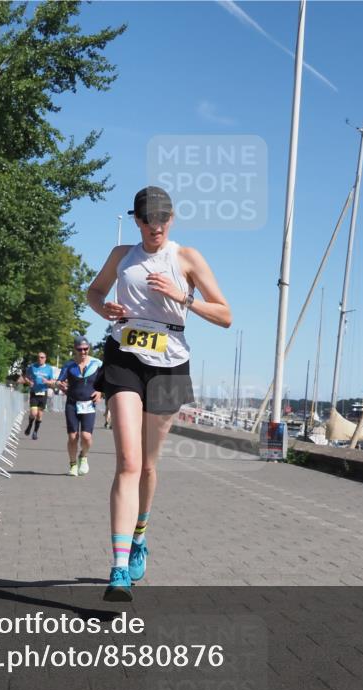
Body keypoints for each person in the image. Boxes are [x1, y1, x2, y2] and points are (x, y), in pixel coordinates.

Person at [87, 186, 231, 601]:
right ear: (137, 220)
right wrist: (104, 309)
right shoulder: (121, 256)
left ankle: (140, 534)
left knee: (148, 466)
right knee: (128, 461)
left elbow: (224, 314)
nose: (157, 227)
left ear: (173, 219)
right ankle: (117, 570)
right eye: (149, 220)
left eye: (164, 219)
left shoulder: (187, 258)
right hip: (124, 356)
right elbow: (94, 292)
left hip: (169, 362)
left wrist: (183, 296)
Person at [51, 336, 103, 476]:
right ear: (75, 349)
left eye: (86, 349)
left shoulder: (97, 363)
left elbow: (105, 381)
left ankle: (83, 457)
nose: (83, 352)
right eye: (80, 349)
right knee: (73, 437)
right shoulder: (69, 365)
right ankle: (73, 464)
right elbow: (59, 381)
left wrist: (100, 392)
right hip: (72, 404)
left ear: (89, 348)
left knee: (86, 437)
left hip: (89, 404)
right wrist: (59, 384)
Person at [20, 351, 55, 440]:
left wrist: (47, 382)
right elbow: (25, 377)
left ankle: (35, 432)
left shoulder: (49, 368)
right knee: (33, 413)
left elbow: (53, 381)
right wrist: (29, 382)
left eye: (42, 357)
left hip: (43, 393)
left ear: (45, 358)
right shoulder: (32, 367)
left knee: (39, 415)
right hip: (34, 392)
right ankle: (30, 425)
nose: (40, 359)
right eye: (39, 357)